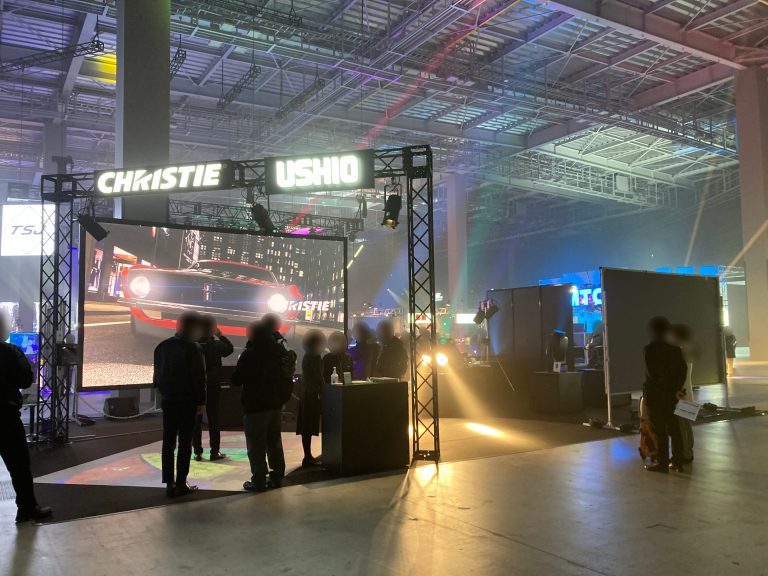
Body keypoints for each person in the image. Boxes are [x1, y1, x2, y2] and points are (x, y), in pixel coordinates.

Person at [0, 316, 52, 523]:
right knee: (19, 466)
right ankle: (27, 508)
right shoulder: (11, 352)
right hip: (6, 417)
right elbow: (25, 379)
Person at [235, 316, 296, 492]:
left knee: (256, 446)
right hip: (275, 404)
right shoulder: (278, 350)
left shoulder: (250, 353)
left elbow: (237, 378)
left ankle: (259, 481)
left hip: (255, 406)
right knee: (274, 443)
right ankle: (277, 477)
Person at [153, 312, 207, 497]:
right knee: (185, 442)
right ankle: (181, 482)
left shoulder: (162, 347)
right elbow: (199, 378)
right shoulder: (194, 348)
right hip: (188, 401)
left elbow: (156, 376)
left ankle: (169, 483)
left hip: (168, 400)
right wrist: (201, 401)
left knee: (168, 442)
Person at [643, 316, 688, 473]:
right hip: (671, 394)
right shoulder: (675, 349)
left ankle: (662, 462)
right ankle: (678, 461)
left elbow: (652, 373)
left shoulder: (649, 349)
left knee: (659, 429)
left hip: (655, 394)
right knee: (674, 427)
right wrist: (676, 389)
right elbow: (682, 371)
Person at [193, 315, 234, 462]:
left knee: (196, 419)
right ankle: (214, 452)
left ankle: (197, 452)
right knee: (213, 418)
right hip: (212, 385)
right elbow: (230, 348)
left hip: (196, 385)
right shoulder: (216, 345)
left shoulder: (193, 344)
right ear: (212, 329)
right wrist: (221, 335)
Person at [297, 330, 326, 467]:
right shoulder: (315, 357)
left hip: (306, 393)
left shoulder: (307, 355)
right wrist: (324, 389)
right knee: (308, 426)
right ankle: (308, 457)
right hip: (311, 395)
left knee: (306, 427)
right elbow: (319, 377)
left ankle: (307, 456)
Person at [668, 323, 696, 465]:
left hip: (681, 394)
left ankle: (684, 454)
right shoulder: (687, 350)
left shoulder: (679, 352)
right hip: (688, 393)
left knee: (681, 427)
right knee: (686, 426)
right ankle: (688, 453)